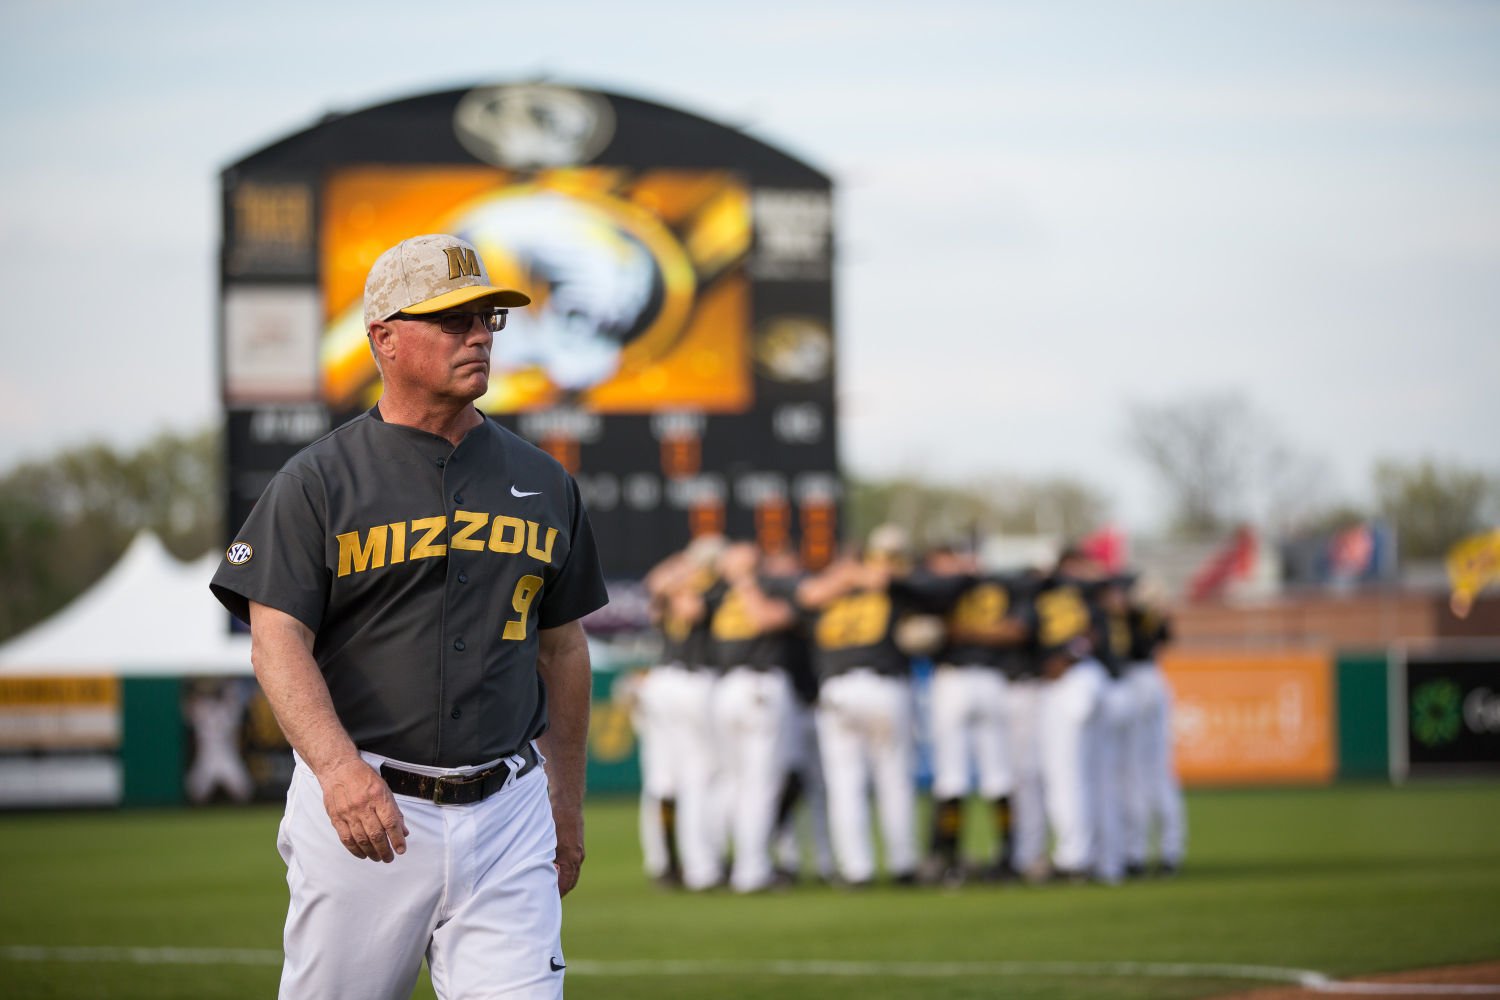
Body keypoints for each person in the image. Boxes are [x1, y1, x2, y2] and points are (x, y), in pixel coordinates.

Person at [210, 234, 608, 1000]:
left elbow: (563, 651)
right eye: (453, 318)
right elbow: (275, 640)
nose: (480, 334)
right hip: (367, 809)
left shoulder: (544, 480)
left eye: (488, 317)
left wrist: (566, 801)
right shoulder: (316, 481)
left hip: (509, 811)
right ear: (384, 339)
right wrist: (336, 771)